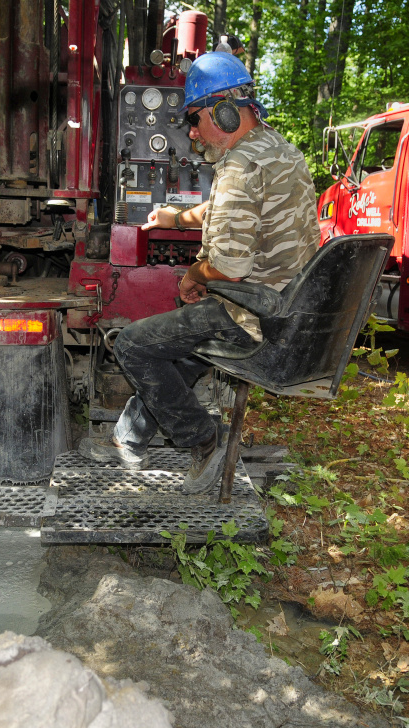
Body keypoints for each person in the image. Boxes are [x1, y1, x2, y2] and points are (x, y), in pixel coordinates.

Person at [79, 51, 320, 493]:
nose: (191, 132)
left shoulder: (239, 165)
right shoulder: (279, 150)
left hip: (254, 313)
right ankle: (128, 437)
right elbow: (234, 208)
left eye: (195, 119)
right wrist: (179, 219)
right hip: (289, 305)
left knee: (133, 344)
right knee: (181, 346)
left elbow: (228, 266)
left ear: (222, 113)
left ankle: (204, 440)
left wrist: (193, 276)